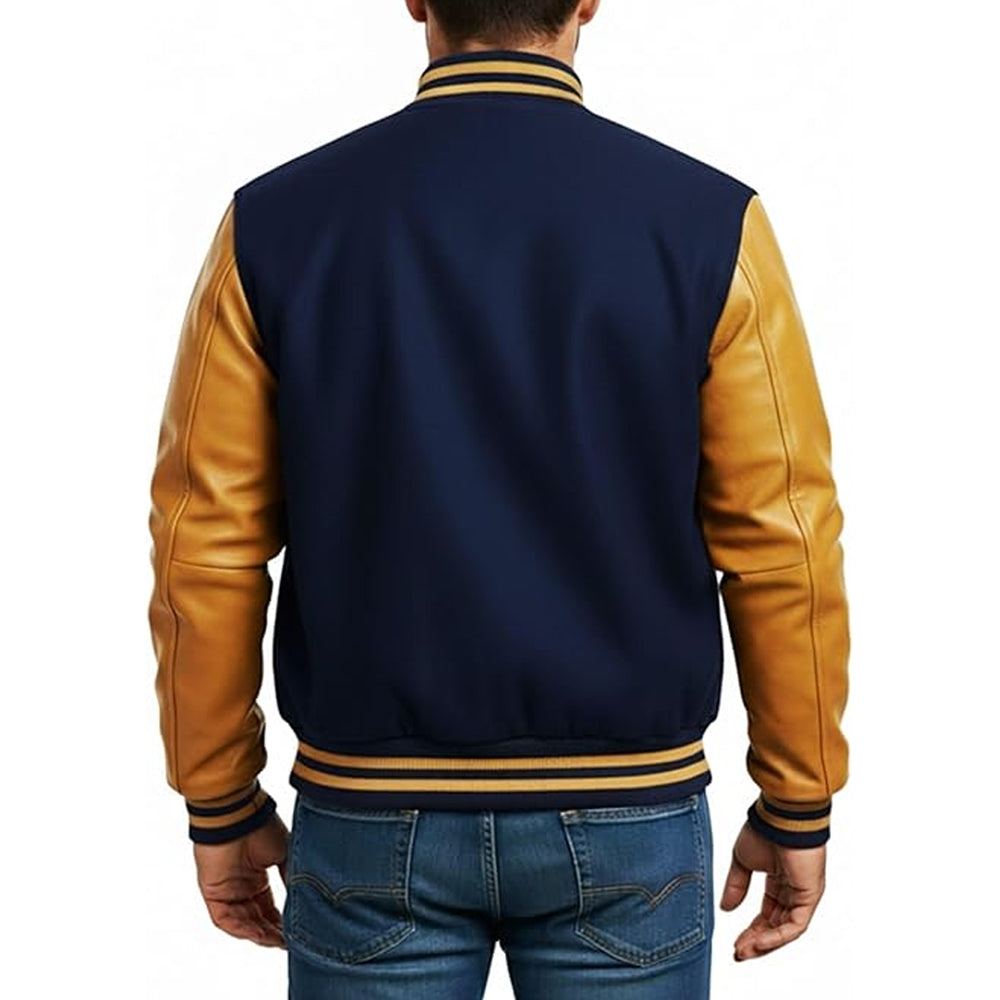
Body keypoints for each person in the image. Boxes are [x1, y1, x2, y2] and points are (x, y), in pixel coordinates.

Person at [146, 1, 850, 996]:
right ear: (587, 1)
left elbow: (204, 542)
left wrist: (218, 797)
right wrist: (797, 797)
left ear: (416, 0)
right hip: (631, 817)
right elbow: (785, 541)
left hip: (368, 814)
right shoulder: (708, 223)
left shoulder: (274, 223)